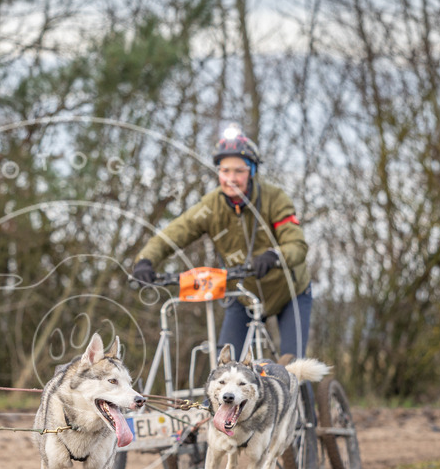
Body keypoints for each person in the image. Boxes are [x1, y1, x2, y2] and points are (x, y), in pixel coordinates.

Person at [131, 124, 313, 360]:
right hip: (243, 294)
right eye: (225, 171)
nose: (231, 178)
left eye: (239, 171)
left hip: (289, 291)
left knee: (292, 366)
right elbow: (173, 234)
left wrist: (275, 255)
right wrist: (145, 260)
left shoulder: (274, 199)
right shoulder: (211, 206)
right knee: (225, 365)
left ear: (252, 171)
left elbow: (297, 245)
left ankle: (298, 383)